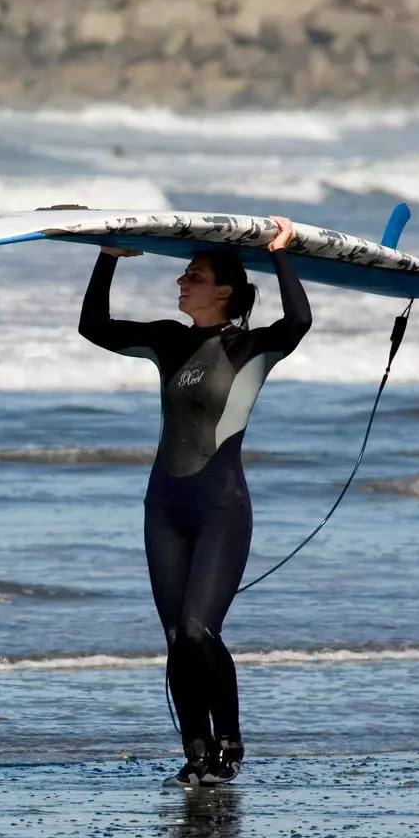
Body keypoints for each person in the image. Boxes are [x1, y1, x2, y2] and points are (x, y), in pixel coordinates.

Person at [79, 218, 310, 786]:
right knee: (177, 638)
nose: (182, 282)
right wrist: (107, 257)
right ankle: (196, 751)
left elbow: (300, 320)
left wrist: (280, 253)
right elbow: (93, 327)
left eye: (195, 275)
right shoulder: (168, 338)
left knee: (199, 629)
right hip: (164, 507)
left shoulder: (252, 347)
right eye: (185, 274)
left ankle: (228, 740)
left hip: (221, 508)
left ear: (225, 290)